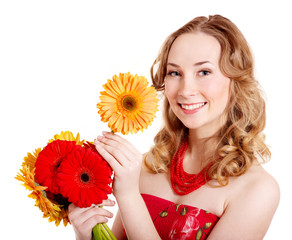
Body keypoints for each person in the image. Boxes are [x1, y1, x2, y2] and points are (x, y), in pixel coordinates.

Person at [69, 14, 280, 240]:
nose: (185, 90)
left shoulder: (258, 190)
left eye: (204, 72)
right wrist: (87, 235)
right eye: (175, 73)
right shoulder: (147, 165)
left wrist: (130, 196)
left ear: (236, 80)